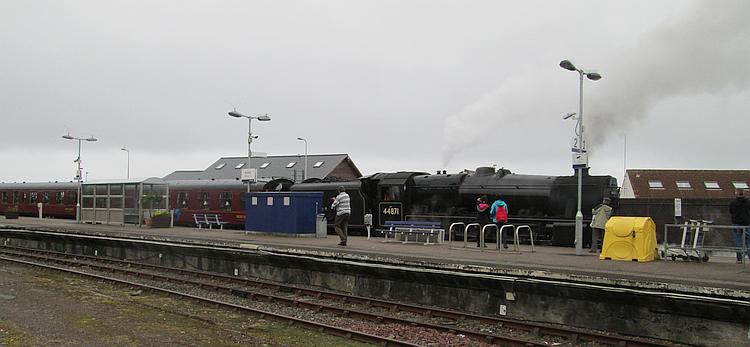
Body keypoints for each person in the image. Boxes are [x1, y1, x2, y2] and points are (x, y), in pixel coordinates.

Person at [729, 189, 750, 264]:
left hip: (736, 223)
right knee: (748, 241)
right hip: (747, 223)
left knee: (738, 240)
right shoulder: (748, 202)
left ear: (736, 193)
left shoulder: (733, 203)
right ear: (743, 193)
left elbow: (731, 211)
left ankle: (739, 259)